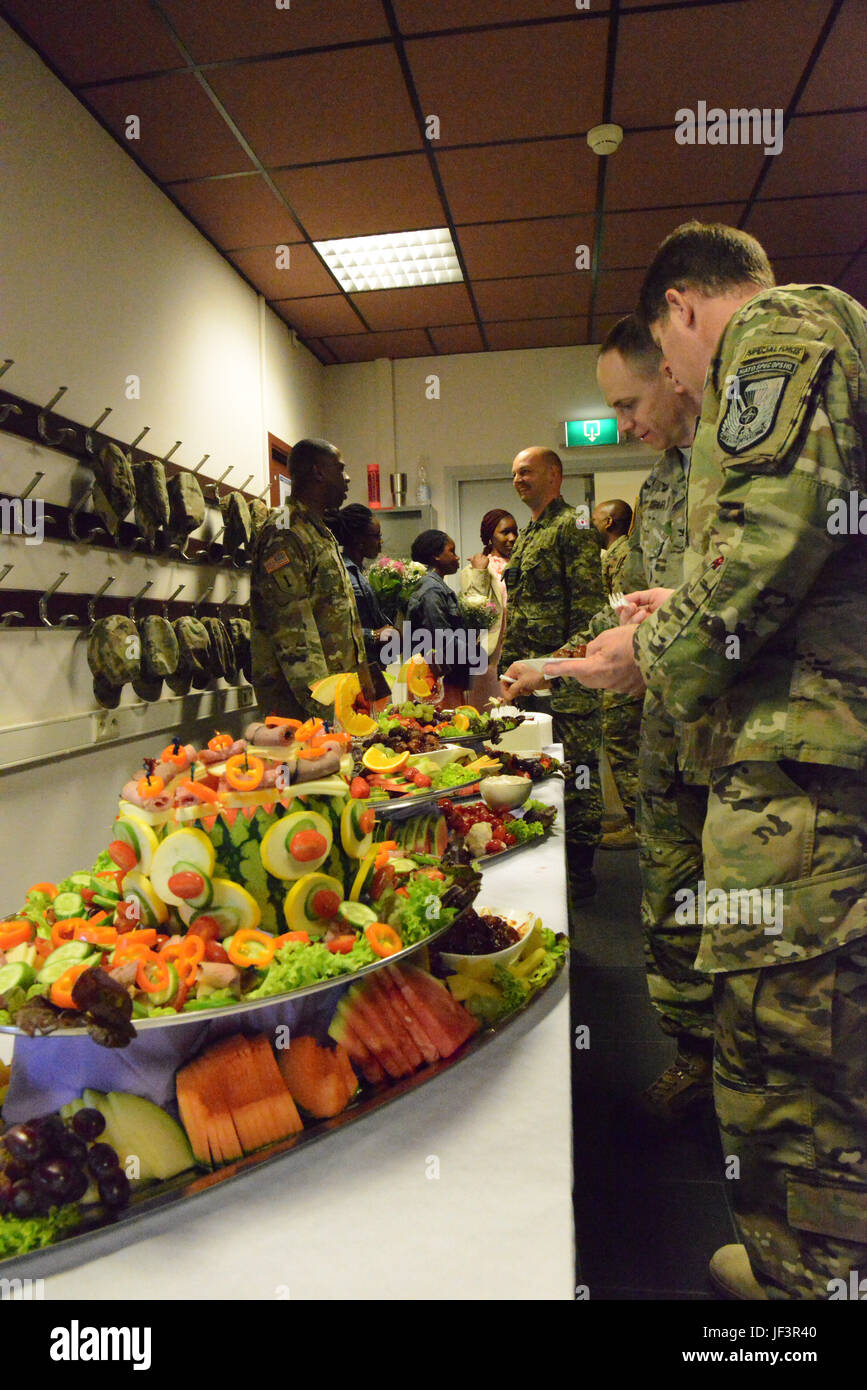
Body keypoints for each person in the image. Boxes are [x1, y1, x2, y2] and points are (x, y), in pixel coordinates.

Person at [531, 222, 867, 1301]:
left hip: (806, 782)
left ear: (683, 304)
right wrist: (679, 610)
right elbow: (800, 561)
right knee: (787, 1041)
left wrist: (651, 649)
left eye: (662, 366)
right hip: (796, 766)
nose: (671, 385)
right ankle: (797, 1262)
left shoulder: (777, 325)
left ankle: (817, 1280)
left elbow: (767, 546)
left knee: (802, 1058)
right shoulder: (813, 336)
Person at [504, 316, 712, 1120]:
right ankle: (691, 1053)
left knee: (739, 915)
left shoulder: (736, 465)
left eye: (627, 405)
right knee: (668, 896)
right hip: (657, 717)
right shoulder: (660, 481)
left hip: (722, 728)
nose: (622, 426)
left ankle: (740, 1079)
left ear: (670, 370)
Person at [499, 447, 605, 903]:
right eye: (514, 473)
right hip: (527, 685)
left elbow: (591, 612)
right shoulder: (529, 533)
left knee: (578, 776)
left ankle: (581, 875)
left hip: (566, 682)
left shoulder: (573, 525)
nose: (518, 479)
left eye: (527, 471)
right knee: (539, 773)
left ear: (554, 475)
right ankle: (548, 863)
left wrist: (556, 668)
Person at [249, 438, 369, 722]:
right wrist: (328, 711)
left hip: (335, 698)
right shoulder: (285, 532)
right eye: (340, 469)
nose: (348, 478)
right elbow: (294, 635)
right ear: (318, 472)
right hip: (302, 709)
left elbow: (341, 620)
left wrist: (361, 690)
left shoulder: (318, 531)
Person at [591, 498, 642, 840]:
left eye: (594, 517)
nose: (588, 523)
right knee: (619, 744)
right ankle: (631, 817)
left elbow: (621, 614)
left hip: (628, 665)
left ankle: (640, 827)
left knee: (624, 745)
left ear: (609, 522)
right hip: (617, 661)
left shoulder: (623, 557)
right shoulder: (613, 555)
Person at [406, 530, 486, 707]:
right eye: (452, 551)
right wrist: (475, 652)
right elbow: (442, 639)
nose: (457, 557)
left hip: (442, 678)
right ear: (436, 555)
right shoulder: (432, 591)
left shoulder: (436, 587)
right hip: (437, 681)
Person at [329, 503, 399, 695]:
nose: (380, 542)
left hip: (372, 665)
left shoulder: (360, 572)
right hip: (356, 669)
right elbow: (337, 626)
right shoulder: (343, 574)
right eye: (376, 536)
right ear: (359, 540)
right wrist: (375, 635)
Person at [459, 508, 518, 709]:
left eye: (515, 532)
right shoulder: (476, 568)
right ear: (490, 537)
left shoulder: (522, 563)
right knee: (492, 709)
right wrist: (479, 572)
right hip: (492, 651)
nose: (512, 538)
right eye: (505, 532)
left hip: (520, 647)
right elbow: (472, 606)